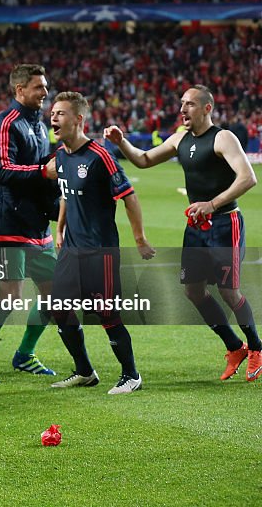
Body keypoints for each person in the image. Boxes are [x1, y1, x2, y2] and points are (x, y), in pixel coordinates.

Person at [105, 85, 261, 381]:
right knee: (193, 291)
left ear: (206, 108)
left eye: (189, 104)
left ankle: (256, 347)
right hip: (196, 226)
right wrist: (122, 142)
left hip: (226, 224)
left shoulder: (223, 138)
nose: (182, 110)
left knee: (229, 292)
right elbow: (144, 160)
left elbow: (247, 177)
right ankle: (234, 346)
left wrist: (212, 203)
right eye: (181, 104)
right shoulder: (179, 139)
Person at [48, 92, 156, 394]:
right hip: (71, 249)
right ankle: (84, 371)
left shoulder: (100, 156)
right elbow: (66, 195)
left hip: (100, 250)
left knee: (107, 314)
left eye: (61, 113)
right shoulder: (60, 155)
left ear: (79, 119)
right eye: (53, 113)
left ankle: (131, 375)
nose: (54, 118)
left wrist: (140, 238)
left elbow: (129, 197)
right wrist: (60, 230)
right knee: (59, 309)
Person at [0, 63, 60, 384]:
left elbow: (39, 167)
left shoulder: (38, 124)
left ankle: (24, 354)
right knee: (10, 295)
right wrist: (43, 172)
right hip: (5, 222)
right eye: (38, 87)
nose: (45, 92)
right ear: (20, 90)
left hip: (35, 223)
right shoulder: (5, 124)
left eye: (45, 87)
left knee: (53, 292)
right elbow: (2, 170)